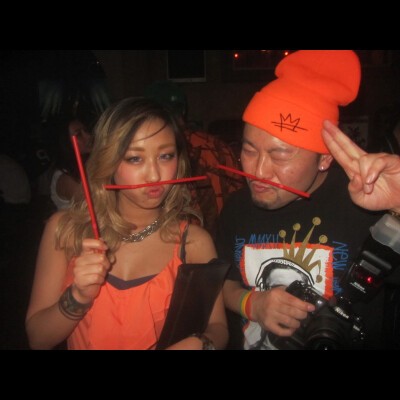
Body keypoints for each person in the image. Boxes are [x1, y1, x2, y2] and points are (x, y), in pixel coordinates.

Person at [216, 50, 400, 350]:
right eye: (249, 150)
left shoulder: (368, 205)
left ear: (324, 158)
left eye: (279, 155)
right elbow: (220, 282)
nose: (258, 172)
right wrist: (252, 303)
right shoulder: (236, 208)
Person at [25, 97, 228, 350]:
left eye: (166, 156)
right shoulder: (65, 229)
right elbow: (38, 339)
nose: (154, 175)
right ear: (108, 162)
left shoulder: (194, 242)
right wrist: (78, 297)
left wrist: (200, 344)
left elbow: (218, 328)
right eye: (135, 158)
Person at [144, 80, 244, 238]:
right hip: (228, 236)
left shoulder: (174, 152)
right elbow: (240, 196)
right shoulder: (219, 146)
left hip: (182, 241)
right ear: (183, 110)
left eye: (166, 156)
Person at [46, 116, 93, 210]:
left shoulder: (90, 165)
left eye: (86, 130)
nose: (88, 136)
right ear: (65, 142)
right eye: (79, 134)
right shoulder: (67, 178)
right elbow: (95, 210)